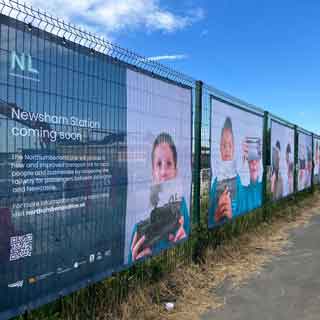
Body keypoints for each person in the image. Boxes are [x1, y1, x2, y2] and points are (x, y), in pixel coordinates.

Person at [128, 133, 189, 263]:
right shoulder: (141, 222)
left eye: (169, 163)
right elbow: (131, 261)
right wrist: (136, 262)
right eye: (159, 164)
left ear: (175, 171)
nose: (163, 172)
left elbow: (187, 247)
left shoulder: (182, 208)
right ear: (152, 172)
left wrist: (184, 242)